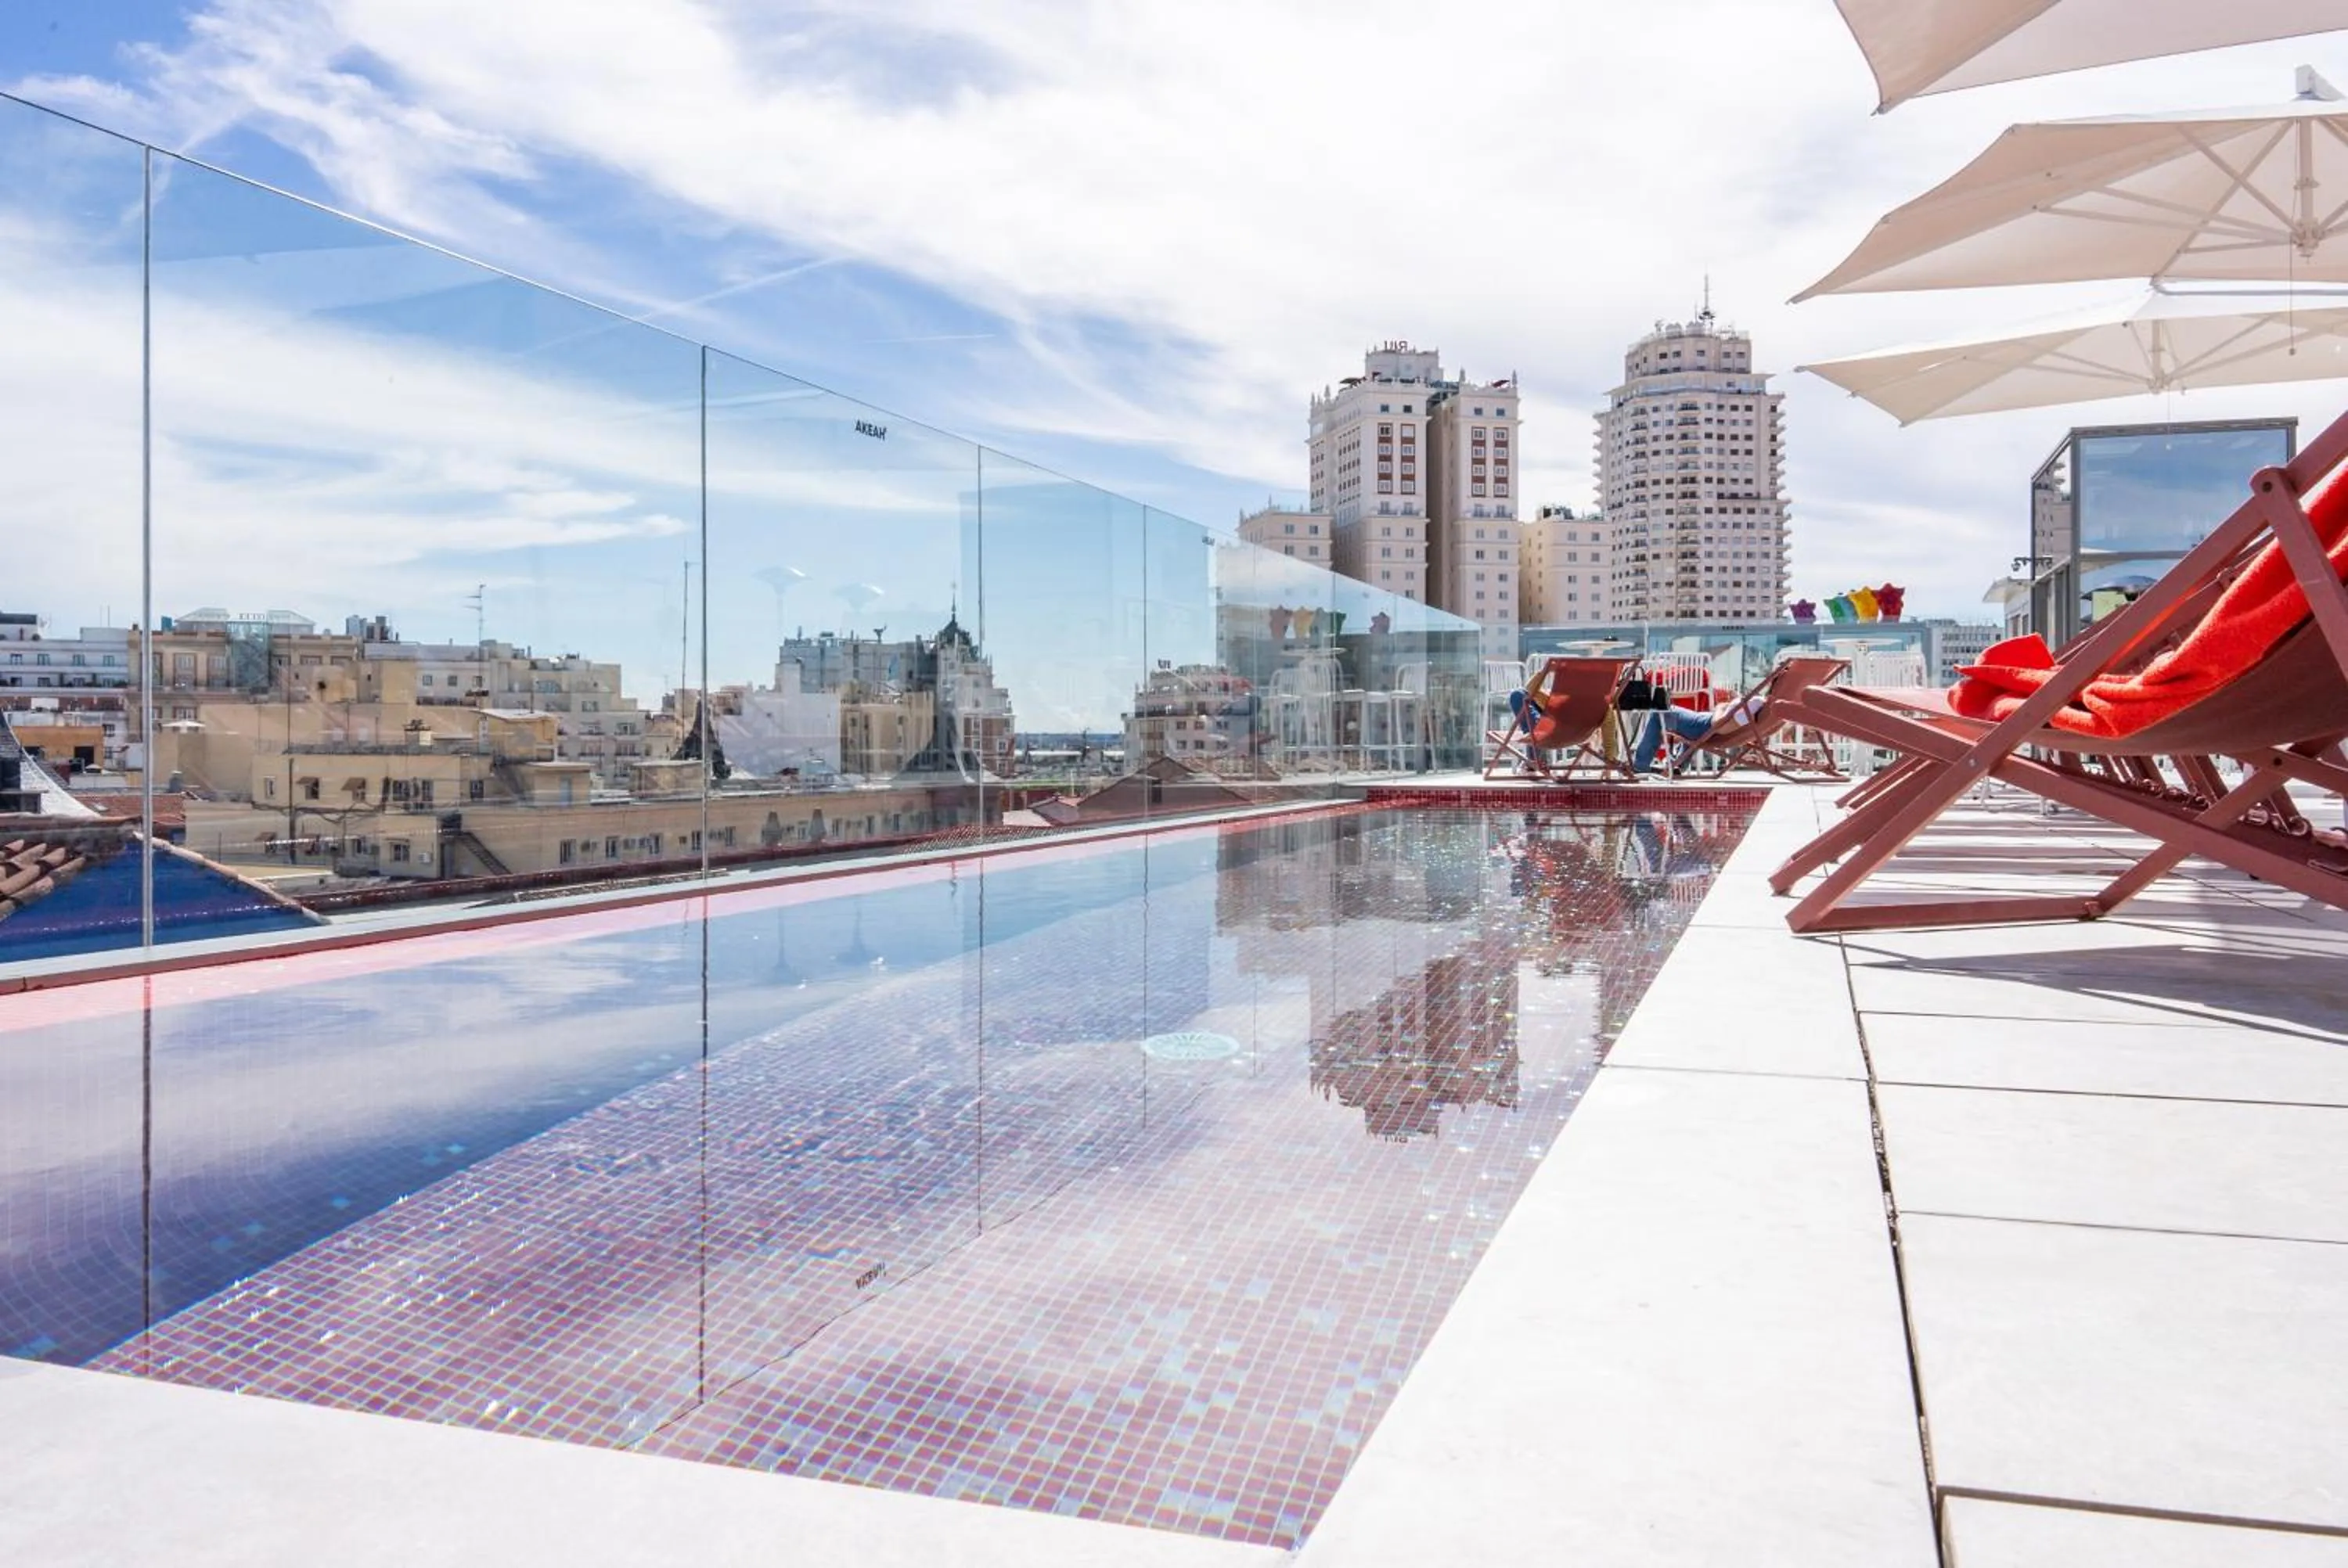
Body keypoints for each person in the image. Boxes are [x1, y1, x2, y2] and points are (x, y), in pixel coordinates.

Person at [1632, 691, 1764, 774]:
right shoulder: (1760, 703)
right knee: (1664, 712)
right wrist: (1727, 706)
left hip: (1701, 726)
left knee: (1657, 712)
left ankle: (1641, 765)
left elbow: (1718, 724)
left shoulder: (1755, 703)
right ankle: (1679, 764)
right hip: (1703, 724)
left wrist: (1721, 707)